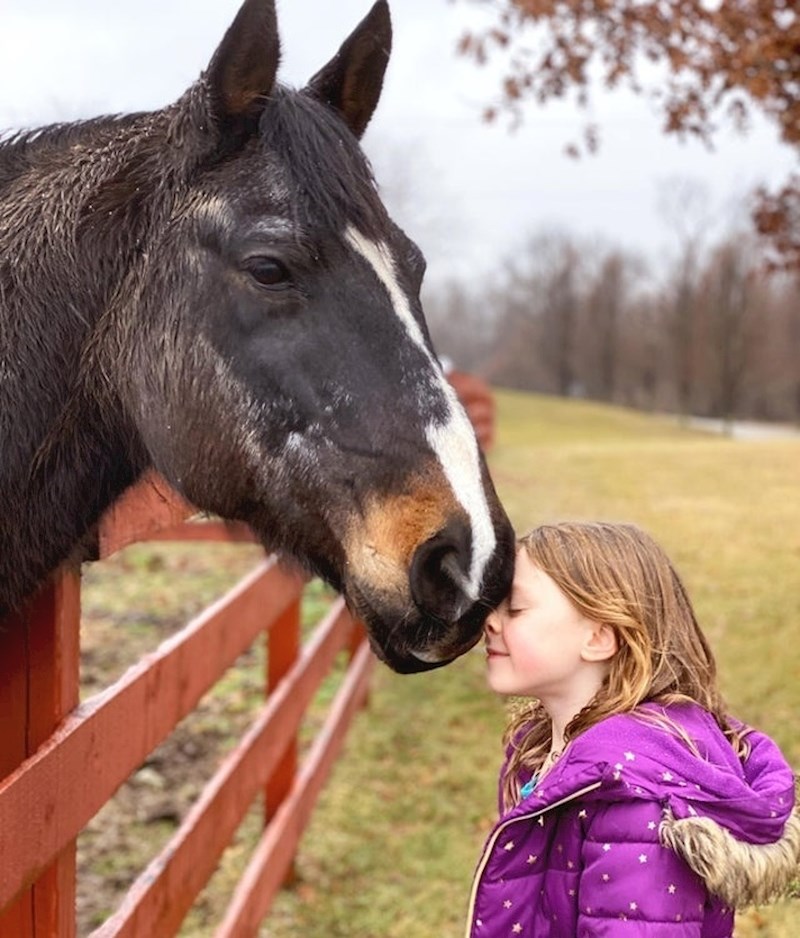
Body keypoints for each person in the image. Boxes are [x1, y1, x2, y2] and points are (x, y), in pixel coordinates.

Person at [466, 521, 800, 937]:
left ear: (600, 638)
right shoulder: (553, 752)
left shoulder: (634, 798)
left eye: (514, 608)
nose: (490, 622)